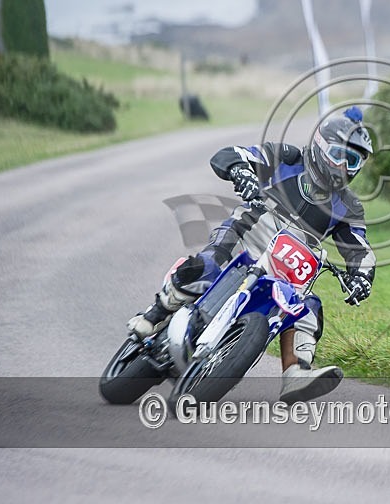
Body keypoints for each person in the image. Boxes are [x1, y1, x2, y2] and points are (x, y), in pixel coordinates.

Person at [127, 106, 376, 403]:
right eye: (339, 156)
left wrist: (362, 276)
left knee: (306, 306)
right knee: (205, 266)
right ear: (322, 147)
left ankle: (296, 373)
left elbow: (359, 248)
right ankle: (156, 314)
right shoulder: (286, 158)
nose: (344, 167)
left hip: (289, 266)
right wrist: (240, 171)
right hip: (246, 236)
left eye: (353, 161)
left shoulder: (349, 206)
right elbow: (230, 154)